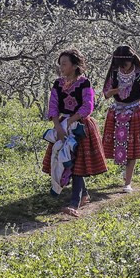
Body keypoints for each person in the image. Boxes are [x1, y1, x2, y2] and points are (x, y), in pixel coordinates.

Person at [41, 49, 107, 216]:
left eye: (64, 64)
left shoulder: (84, 83)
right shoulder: (57, 84)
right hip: (62, 125)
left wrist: (71, 121)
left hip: (80, 125)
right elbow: (53, 106)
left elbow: (88, 105)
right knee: (69, 160)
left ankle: (74, 203)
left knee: (77, 164)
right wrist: (58, 127)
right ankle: (84, 195)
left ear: (75, 65)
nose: (61, 67)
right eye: (60, 64)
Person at [102, 45, 140, 192]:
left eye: (125, 64)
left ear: (132, 60)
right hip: (116, 112)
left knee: (132, 148)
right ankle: (123, 176)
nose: (123, 68)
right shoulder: (114, 74)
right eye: (120, 65)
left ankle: (127, 182)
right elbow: (106, 94)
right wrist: (116, 90)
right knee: (118, 145)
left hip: (135, 113)